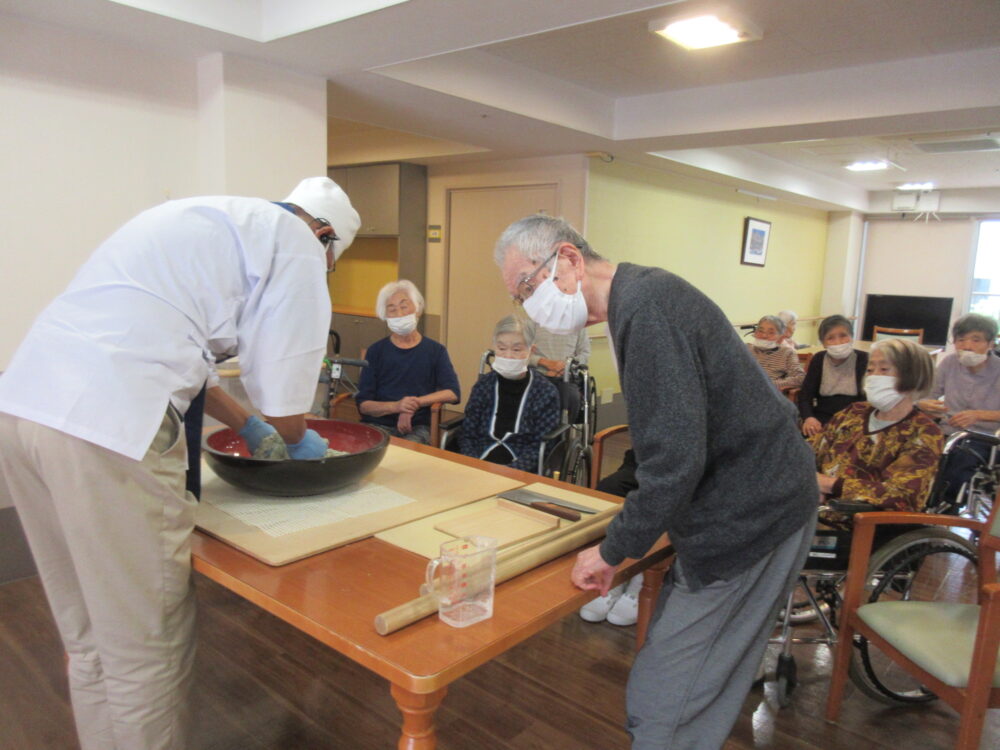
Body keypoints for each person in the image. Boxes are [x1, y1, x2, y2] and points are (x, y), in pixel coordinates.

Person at [0, 176, 360, 750]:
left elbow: (186, 357)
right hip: (111, 427)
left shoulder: (205, 218)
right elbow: (287, 397)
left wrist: (245, 425)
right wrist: (292, 438)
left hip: (23, 408)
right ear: (327, 237)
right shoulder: (296, 244)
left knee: (91, 638)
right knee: (146, 648)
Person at [493, 214, 816, 750]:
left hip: (756, 511)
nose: (529, 305)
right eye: (520, 297)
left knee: (667, 701)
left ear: (568, 260)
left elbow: (674, 460)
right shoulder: (639, 297)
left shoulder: (645, 308)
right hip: (738, 501)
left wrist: (613, 551)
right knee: (679, 679)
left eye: (528, 287)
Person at [813, 338, 942, 530]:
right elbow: (813, 450)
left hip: (865, 528)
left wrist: (830, 485)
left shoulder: (924, 433)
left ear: (912, 376)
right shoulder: (853, 412)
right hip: (816, 512)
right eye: (870, 370)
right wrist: (811, 480)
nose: (874, 377)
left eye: (884, 370)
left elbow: (902, 494)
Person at [355, 280, 460, 443]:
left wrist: (414, 403)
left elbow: (452, 392)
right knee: (373, 452)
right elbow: (364, 404)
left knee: (409, 456)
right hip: (378, 424)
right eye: (392, 309)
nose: (399, 314)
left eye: (404, 307)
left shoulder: (435, 350)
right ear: (385, 316)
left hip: (419, 426)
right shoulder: (376, 351)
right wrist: (397, 406)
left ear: (417, 309)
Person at [917, 313, 1000, 508]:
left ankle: (946, 508)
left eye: (976, 340)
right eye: (961, 340)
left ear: (990, 344)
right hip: (947, 431)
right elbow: (928, 394)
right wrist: (925, 404)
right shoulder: (949, 363)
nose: (967, 346)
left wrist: (978, 415)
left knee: (958, 463)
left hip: (985, 438)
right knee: (916, 455)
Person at [459, 314, 560, 471]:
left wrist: (511, 471)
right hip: (480, 461)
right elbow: (468, 433)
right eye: (501, 348)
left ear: (531, 350)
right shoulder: (484, 386)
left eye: (517, 349)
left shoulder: (545, 392)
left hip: (521, 466)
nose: (508, 355)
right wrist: (474, 465)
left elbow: (540, 446)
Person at [798, 314, 869, 437]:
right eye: (830, 338)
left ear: (852, 337)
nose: (838, 342)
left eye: (843, 336)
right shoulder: (819, 359)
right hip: (823, 415)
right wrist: (809, 418)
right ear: (823, 343)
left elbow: (869, 398)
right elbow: (805, 395)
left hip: (855, 416)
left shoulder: (864, 359)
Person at [747, 314, 805, 391]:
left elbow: (800, 378)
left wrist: (770, 384)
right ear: (755, 332)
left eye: (771, 333)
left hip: (767, 393)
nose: (764, 335)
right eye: (760, 331)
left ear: (780, 336)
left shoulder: (787, 353)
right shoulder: (746, 349)